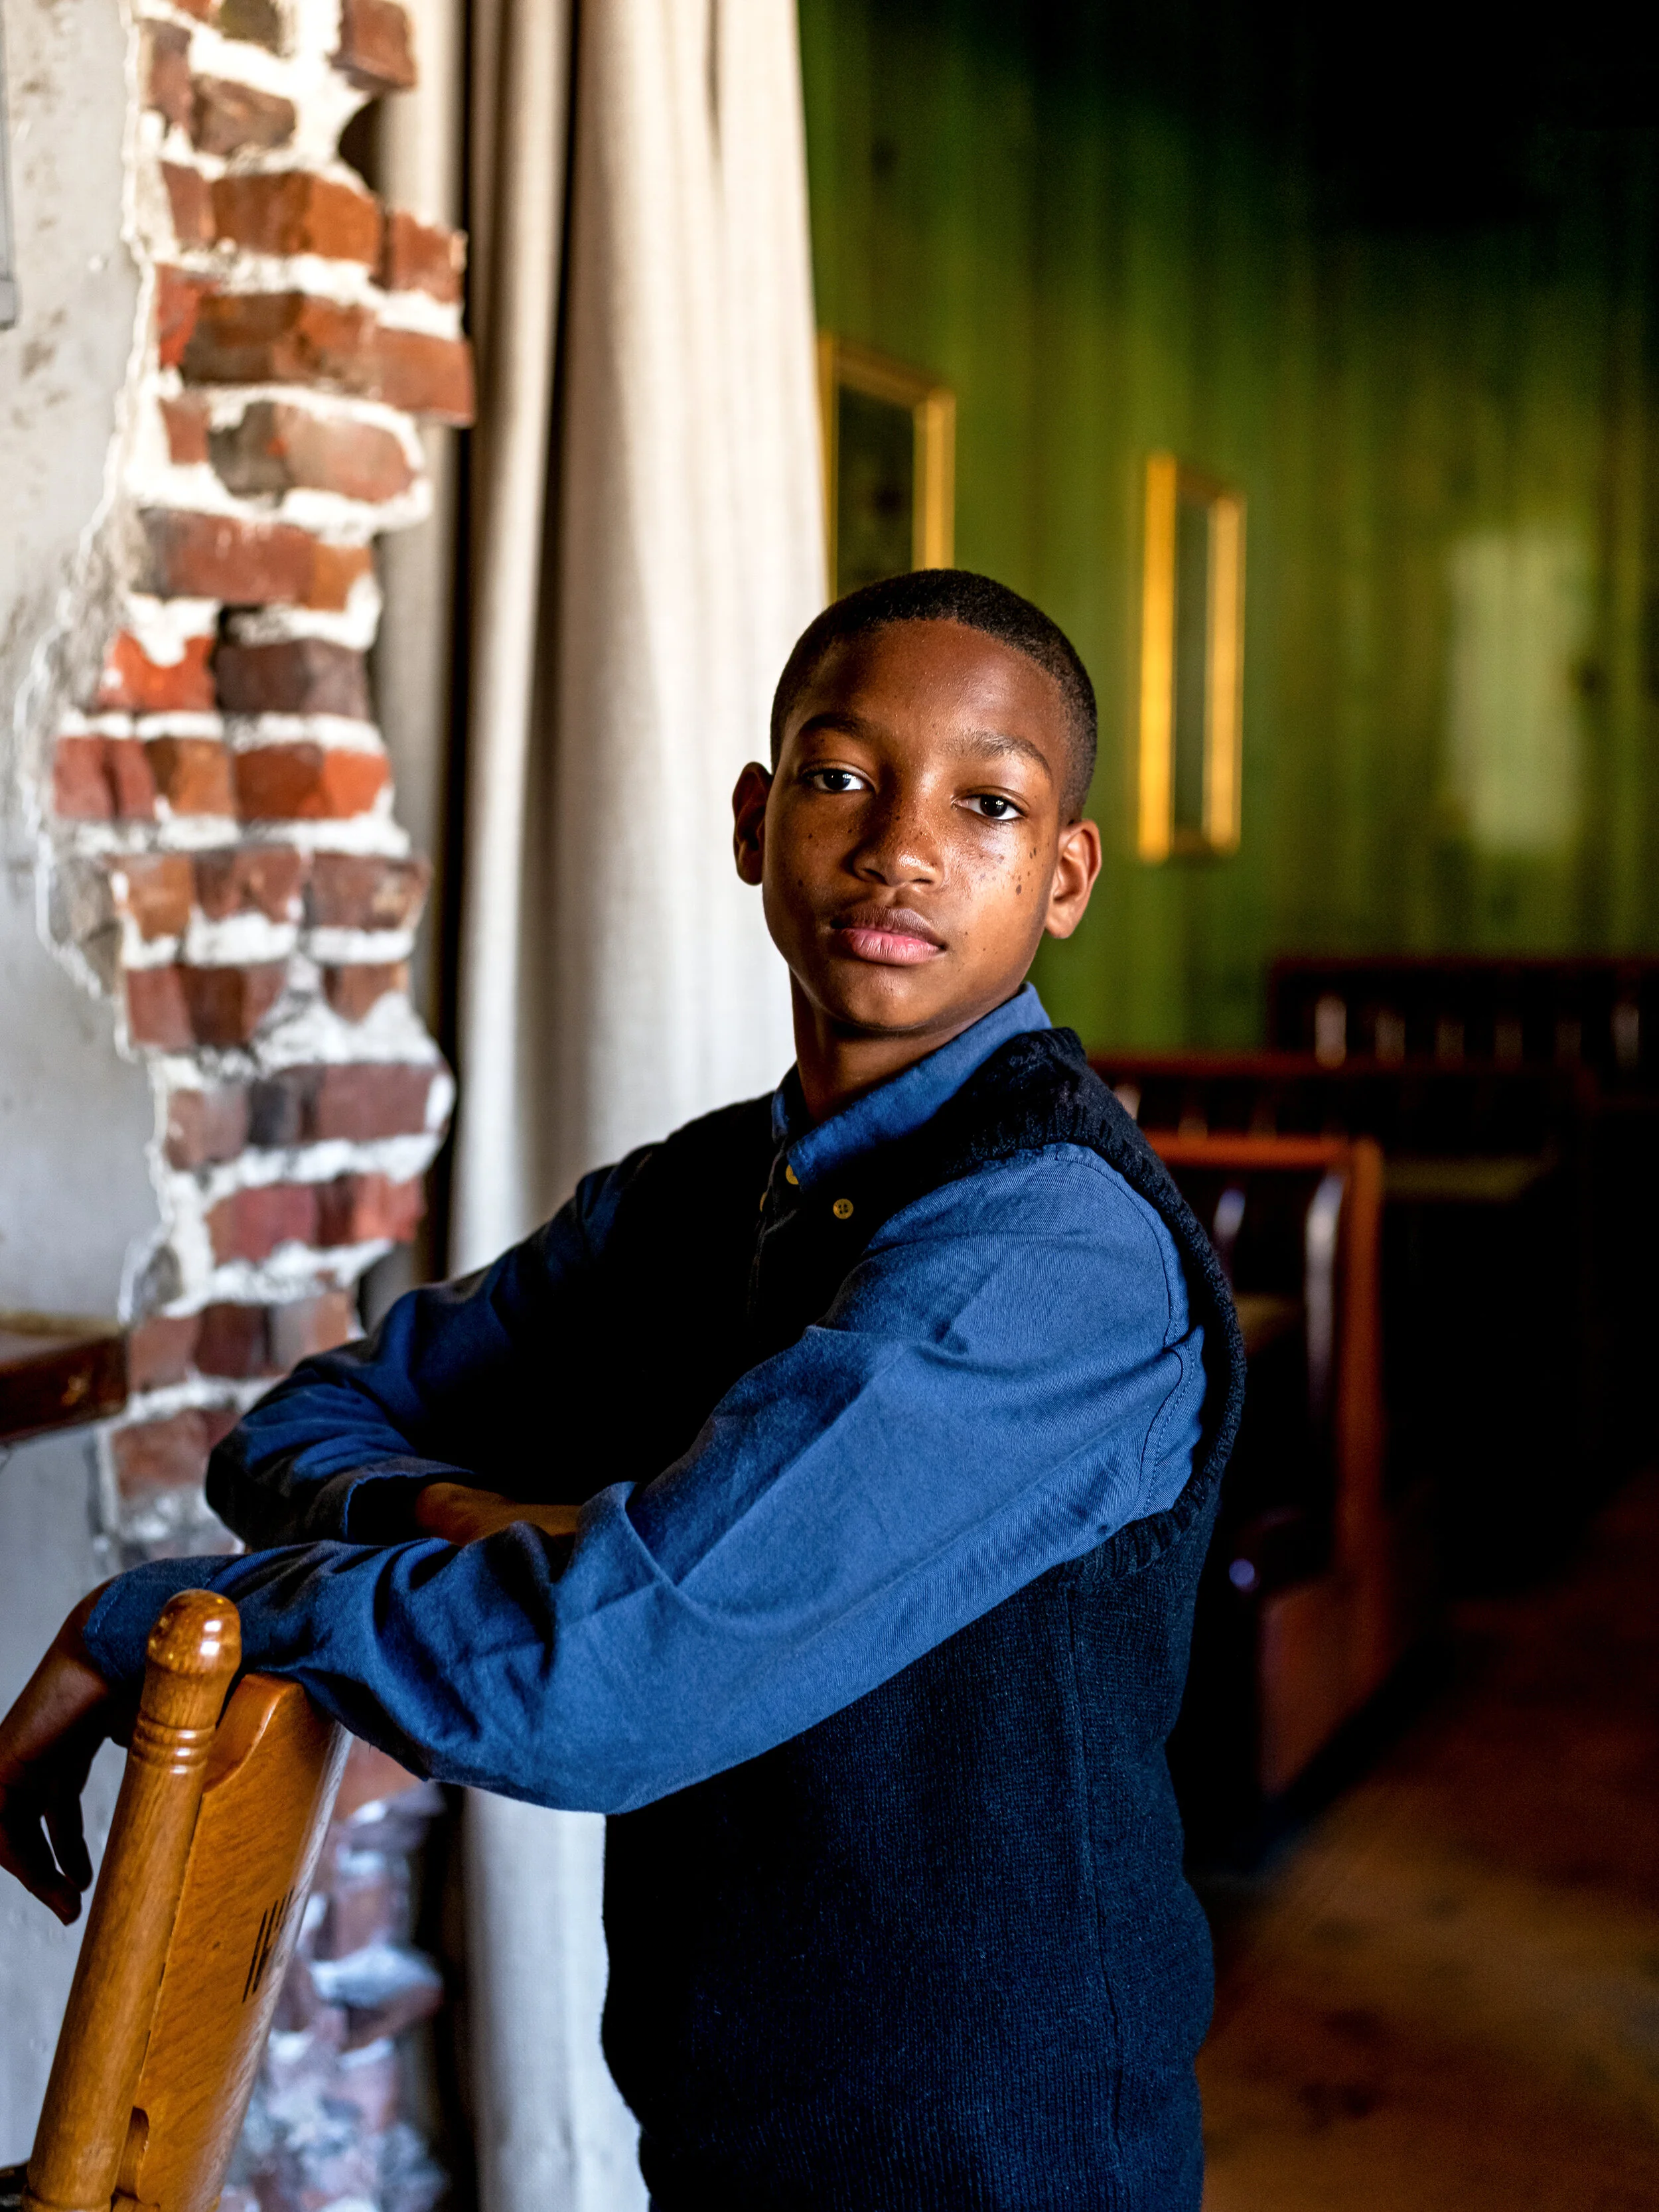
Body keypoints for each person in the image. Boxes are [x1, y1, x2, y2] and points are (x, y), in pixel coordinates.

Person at [0, 570, 1244, 2209]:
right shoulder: (698, 1199)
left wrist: (177, 1615)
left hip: (987, 2152)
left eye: (986, 803)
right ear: (752, 818)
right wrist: (462, 1514)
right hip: (723, 2114)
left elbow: (596, 1682)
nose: (897, 849)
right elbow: (296, 1431)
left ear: (1063, 873)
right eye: (839, 776)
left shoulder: (1049, 1248)